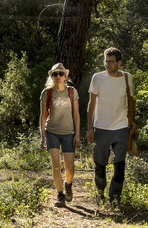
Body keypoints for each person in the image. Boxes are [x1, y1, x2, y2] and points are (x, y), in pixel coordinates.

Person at [86, 46, 136, 206]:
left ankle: (115, 199)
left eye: (111, 62)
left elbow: (131, 101)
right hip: (101, 127)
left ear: (119, 63)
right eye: (105, 61)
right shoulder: (97, 78)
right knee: (100, 163)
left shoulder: (127, 78)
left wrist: (133, 121)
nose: (107, 65)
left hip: (121, 128)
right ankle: (100, 193)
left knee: (120, 165)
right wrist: (89, 128)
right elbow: (91, 104)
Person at [37, 62, 80, 205]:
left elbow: (76, 114)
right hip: (52, 132)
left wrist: (78, 134)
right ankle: (60, 194)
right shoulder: (46, 93)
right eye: (55, 74)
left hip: (69, 132)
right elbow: (43, 116)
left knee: (70, 168)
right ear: (51, 77)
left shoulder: (72, 92)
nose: (58, 76)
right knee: (56, 165)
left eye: (61, 73)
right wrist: (43, 136)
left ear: (65, 76)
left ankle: (68, 184)